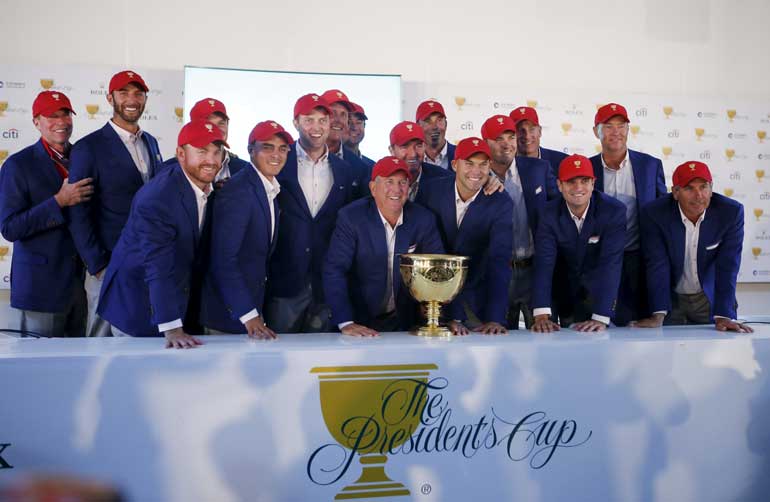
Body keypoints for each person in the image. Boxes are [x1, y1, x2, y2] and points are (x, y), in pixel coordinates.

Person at [97, 120, 225, 348]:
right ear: (180, 154)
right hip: (137, 306)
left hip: (172, 298)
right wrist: (172, 327)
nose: (211, 160)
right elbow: (157, 265)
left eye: (217, 152)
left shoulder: (204, 186)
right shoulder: (159, 197)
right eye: (202, 151)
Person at [68, 70, 163, 337]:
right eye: (124, 93)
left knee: (133, 343)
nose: (132, 99)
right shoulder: (89, 147)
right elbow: (78, 212)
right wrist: (97, 264)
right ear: (110, 98)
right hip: (107, 265)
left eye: (138, 93)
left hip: (143, 262)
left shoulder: (151, 143)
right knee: (99, 343)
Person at [0, 91, 93, 337]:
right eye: (52, 116)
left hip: (81, 289)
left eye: (66, 114)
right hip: (40, 289)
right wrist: (58, 202)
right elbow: (10, 227)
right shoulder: (18, 165)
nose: (61, 122)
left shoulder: (84, 158)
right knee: (38, 369)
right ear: (36, 122)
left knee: (78, 368)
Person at [264, 93, 359, 333]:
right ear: (296, 122)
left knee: (322, 363)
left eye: (322, 120)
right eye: (309, 120)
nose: (316, 128)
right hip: (285, 283)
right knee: (279, 359)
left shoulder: (344, 171)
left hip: (325, 284)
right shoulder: (278, 163)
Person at [323, 156, 444, 336]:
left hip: (405, 321)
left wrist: (444, 318)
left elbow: (439, 269)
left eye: (402, 182)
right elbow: (334, 270)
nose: (396, 189)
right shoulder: (351, 218)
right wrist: (345, 322)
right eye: (389, 182)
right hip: (358, 319)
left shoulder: (423, 219)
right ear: (373, 188)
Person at [633, 161, 753, 333]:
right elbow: (657, 264)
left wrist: (723, 315)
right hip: (670, 299)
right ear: (675, 192)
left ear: (711, 188)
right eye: (689, 188)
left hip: (708, 299)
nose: (699, 195)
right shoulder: (655, 213)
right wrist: (658, 312)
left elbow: (728, 266)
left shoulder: (730, 212)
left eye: (704, 187)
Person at [201, 121, 293, 338]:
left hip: (250, 310)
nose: (276, 155)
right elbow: (223, 260)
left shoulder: (269, 189)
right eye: (267, 147)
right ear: (251, 150)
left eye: (282, 148)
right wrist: (248, 315)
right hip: (228, 316)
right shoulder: (238, 192)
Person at [417, 137, 513, 335]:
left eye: (483, 164)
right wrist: (447, 313)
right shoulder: (431, 191)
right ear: (454, 165)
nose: (476, 172)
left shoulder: (501, 202)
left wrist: (495, 318)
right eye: (469, 164)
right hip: (431, 297)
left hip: (477, 299)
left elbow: (499, 261)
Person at [589, 102, 666, 326]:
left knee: (639, 329)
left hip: (639, 260)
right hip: (599, 261)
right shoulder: (586, 168)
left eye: (621, 126)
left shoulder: (650, 166)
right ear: (597, 131)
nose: (616, 132)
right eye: (608, 126)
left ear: (628, 130)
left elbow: (662, 213)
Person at [531, 154, 626, 333]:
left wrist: (601, 316)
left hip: (603, 295)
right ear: (559, 185)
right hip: (566, 293)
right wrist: (542, 313)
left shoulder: (613, 211)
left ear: (593, 183)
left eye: (584, 180)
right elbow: (544, 262)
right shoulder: (548, 213)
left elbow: (611, 264)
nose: (578, 187)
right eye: (571, 181)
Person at [481, 114, 556, 329]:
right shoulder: (475, 176)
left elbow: (558, 212)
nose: (507, 144)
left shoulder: (538, 168)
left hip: (534, 270)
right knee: (497, 342)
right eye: (499, 139)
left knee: (544, 338)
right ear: (486, 143)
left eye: (510, 137)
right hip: (495, 274)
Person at [159, 97, 250, 188]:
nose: (216, 129)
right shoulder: (167, 171)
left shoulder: (246, 169)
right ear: (192, 127)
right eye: (208, 123)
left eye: (221, 123)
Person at [320, 89, 371, 192]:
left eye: (343, 114)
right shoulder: (292, 155)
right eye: (333, 113)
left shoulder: (361, 167)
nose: (338, 120)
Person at [388, 120, 453, 201]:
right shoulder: (381, 181)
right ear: (391, 150)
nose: (413, 154)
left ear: (425, 146)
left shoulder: (445, 180)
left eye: (419, 146)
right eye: (404, 146)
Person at [510, 105, 567, 179]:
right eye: (521, 130)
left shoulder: (561, 162)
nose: (527, 136)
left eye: (532, 129)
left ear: (540, 131)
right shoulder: (503, 165)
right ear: (512, 135)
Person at [416, 99, 455, 169]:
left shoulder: (461, 157)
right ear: (418, 127)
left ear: (446, 124)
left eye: (439, 120)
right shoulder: (412, 160)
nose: (434, 127)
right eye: (428, 121)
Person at [344, 101, 375, 169]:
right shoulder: (328, 161)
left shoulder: (372, 166)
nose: (354, 127)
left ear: (364, 126)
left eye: (358, 122)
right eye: (349, 122)